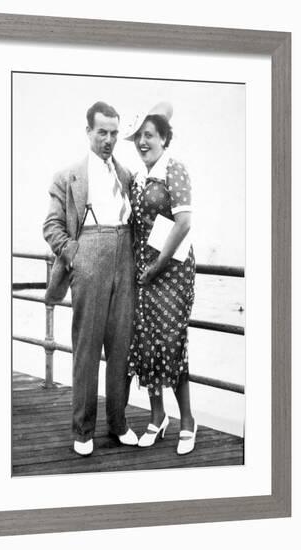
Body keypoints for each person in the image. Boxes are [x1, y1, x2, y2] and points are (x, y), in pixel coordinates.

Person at [43, 101, 138, 456]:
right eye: (102, 132)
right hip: (89, 256)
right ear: (88, 132)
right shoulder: (67, 177)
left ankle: (118, 422)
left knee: (121, 348)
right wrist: (75, 254)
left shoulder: (125, 175)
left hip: (124, 255)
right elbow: (51, 226)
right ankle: (82, 430)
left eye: (114, 133)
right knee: (86, 349)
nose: (109, 139)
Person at [124, 101, 197, 455]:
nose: (142, 142)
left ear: (164, 138)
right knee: (146, 340)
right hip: (144, 271)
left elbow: (183, 223)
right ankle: (157, 416)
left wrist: (158, 266)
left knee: (171, 342)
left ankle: (188, 421)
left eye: (149, 135)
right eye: (138, 136)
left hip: (172, 272)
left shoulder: (174, 170)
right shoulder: (138, 177)